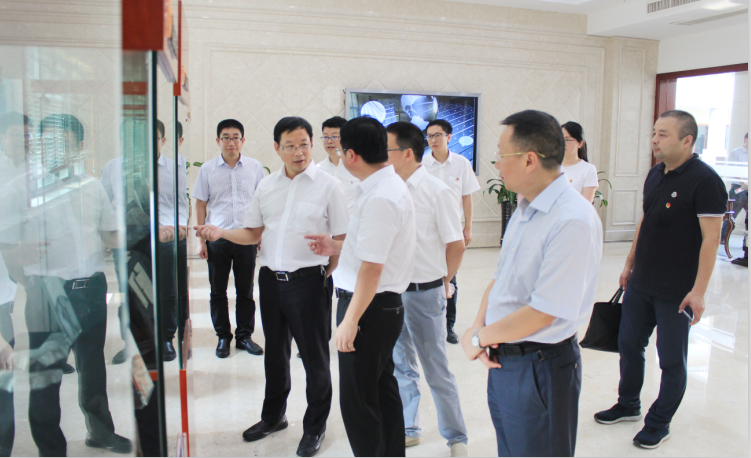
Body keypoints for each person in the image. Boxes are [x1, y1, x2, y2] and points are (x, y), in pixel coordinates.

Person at [195, 117, 348, 457]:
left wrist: (327, 270)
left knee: (315, 360)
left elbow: (341, 237)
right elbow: (253, 233)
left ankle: (315, 427)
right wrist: (220, 232)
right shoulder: (266, 186)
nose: (299, 152)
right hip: (270, 282)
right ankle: (273, 417)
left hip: (308, 283)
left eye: (304, 144)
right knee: (275, 357)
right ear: (277, 148)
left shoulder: (329, 186)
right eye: (290, 146)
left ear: (312, 144)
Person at [460, 110, 602, 457]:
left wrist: (479, 338)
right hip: (507, 359)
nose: (496, 164)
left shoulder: (572, 219)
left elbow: (543, 312)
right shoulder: (525, 207)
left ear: (529, 160)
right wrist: (478, 325)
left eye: (501, 155)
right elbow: (502, 278)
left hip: (540, 366)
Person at [0, 114, 132, 455]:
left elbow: (109, 235)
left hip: (90, 288)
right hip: (47, 293)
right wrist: (29, 283)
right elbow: (6, 247)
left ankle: (100, 432)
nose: (55, 149)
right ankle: (51, 448)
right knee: (45, 375)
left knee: (93, 367)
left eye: (64, 142)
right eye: (47, 142)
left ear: (79, 146)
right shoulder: (18, 190)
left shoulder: (91, 186)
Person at [595, 110, 727, 449]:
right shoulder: (655, 174)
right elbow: (645, 220)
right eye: (654, 133)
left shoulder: (706, 181)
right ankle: (628, 404)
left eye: (663, 134)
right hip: (641, 282)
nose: (654, 140)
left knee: (670, 360)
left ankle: (659, 422)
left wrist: (698, 292)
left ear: (687, 140)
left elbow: (711, 239)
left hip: (677, 291)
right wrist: (629, 263)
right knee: (628, 345)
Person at [306, 116, 416, 457]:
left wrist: (350, 321)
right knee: (380, 391)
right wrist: (335, 246)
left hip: (368, 307)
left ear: (351, 155)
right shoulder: (382, 187)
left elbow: (372, 269)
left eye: (341, 150)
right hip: (377, 305)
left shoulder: (381, 196)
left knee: (359, 402)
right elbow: (373, 247)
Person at [386, 122, 469, 457]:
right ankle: (408, 426)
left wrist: (445, 282)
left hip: (425, 292)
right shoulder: (388, 189)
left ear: (407, 153)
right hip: (392, 293)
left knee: (436, 367)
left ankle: (456, 437)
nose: (382, 157)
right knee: (400, 364)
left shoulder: (437, 192)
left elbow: (456, 245)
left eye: (387, 150)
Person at [193, 119, 266, 358]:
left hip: (246, 237)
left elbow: (262, 203)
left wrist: (261, 234)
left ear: (243, 141)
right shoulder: (207, 169)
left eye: (236, 137)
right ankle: (223, 336)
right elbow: (201, 204)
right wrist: (201, 240)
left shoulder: (255, 167)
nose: (231, 142)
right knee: (218, 291)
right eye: (226, 137)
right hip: (217, 239)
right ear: (218, 141)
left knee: (246, 290)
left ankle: (244, 336)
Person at [423, 119, 480, 345]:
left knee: (450, 276)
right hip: (427, 230)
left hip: (452, 230)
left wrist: (468, 226)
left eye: (438, 135)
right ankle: (428, 323)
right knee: (428, 275)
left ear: (448, 137)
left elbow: (467, 197)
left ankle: (448, 326)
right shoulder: (422, 164)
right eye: (429, 136)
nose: (433, 140)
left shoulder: (461, 163)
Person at [0, 112, 30, 457]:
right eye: (15, 135)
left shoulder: (36, 175)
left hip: (6, 300)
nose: (23, 141)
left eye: (27, 136)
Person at [317, 116, 360, 214]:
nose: (329, 141)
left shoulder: (358, 167)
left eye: (334, 137)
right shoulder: (318, 169)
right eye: (326, 137)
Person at [561, 121, 598, 203]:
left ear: (580, 143)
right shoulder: (549, 167)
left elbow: (586, 204)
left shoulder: (588, 169)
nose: (563, 143)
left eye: (568, 140)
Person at [722, 133, 748, 245]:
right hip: (739, 188)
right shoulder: (736, 153)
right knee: (732, 214)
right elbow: (732, 170)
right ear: (746, 139)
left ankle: (747, 240)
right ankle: (722, 238)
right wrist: (743, 183)